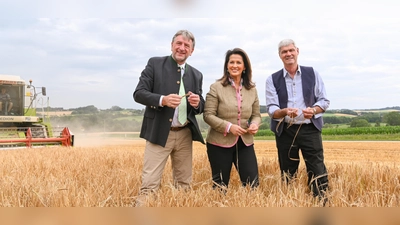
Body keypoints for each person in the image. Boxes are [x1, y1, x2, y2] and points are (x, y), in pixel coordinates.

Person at [133, 30, 205, 205]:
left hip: (185, 134)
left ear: (192, 51)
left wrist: (197, 103)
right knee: (149, 186)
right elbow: (139, 94)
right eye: (178, 43)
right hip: (159, 132)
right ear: (172, 45)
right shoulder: (155, 64)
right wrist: (162, 100)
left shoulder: (197, 74)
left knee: (183, 185)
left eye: (186, 45)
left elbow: (200, 106)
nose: (182, 48)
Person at [265, 39, 330, 200]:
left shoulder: (312, 73)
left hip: (310, 129)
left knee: (317, 168)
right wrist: (284, 112)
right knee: (287, 172)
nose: (288, 54)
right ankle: (289, 203)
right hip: (285, 130)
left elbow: (324, 101)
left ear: (297, 51)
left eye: (291, 50)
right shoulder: (272, 79)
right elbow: (271, 109)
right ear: (280, 55)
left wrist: (313, 110)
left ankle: (321, 202)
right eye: (284, 52)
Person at [203, 48, 261, 190]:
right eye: (231, 62)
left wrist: (254, 124)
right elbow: (208, 115)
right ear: (227, 66)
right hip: (219, 143)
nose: (234, 65)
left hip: (245, 142)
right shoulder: (216, 87)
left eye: (238, 62)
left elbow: (256, 115)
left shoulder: (252, 89)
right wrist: (229, 127)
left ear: (244, 67)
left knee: (252, 185)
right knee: (220, 187)